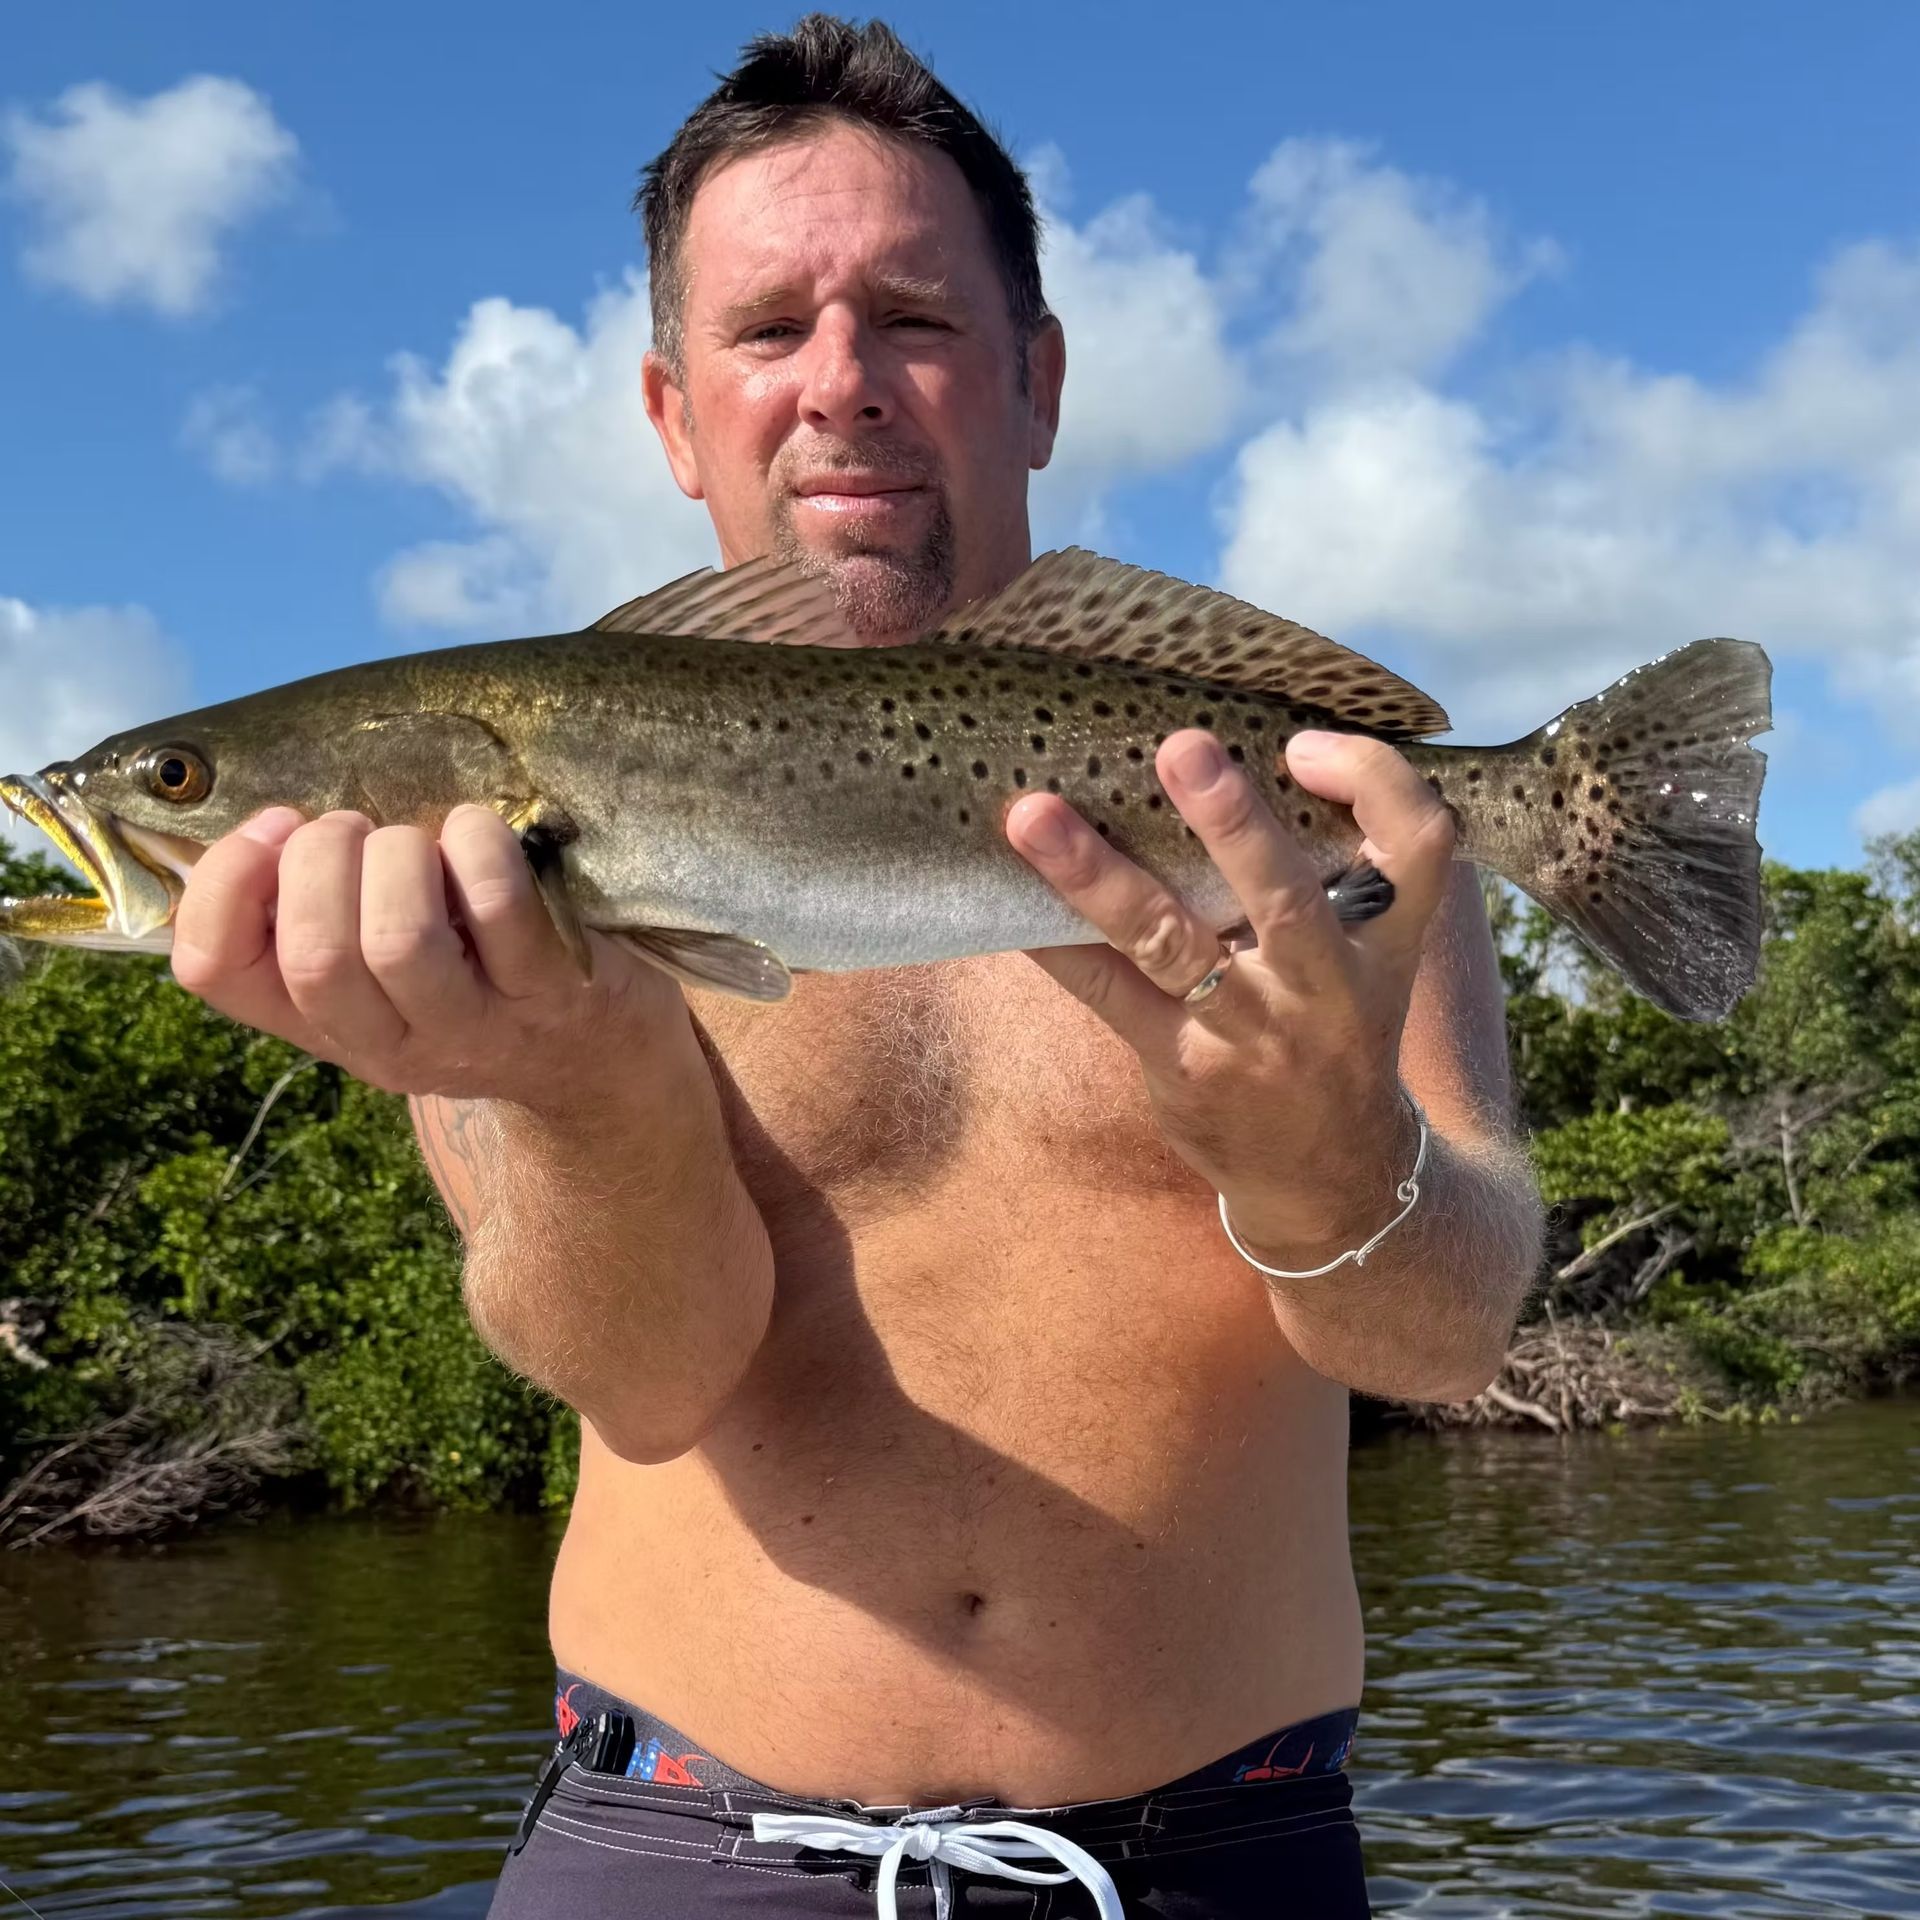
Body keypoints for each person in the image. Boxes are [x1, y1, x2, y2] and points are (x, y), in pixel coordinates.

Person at [168, 17, 1543, 1917]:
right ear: (671, 413)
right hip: (682, 1848)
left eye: (913, 315)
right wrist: (581, 1089)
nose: (841, 385)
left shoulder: (1300, 813)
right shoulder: (473, 881)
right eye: (763, 330)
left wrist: (1331, 1171)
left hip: (1228, 1859)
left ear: (1036, 381)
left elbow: (1450, 1339)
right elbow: (646, 1385)